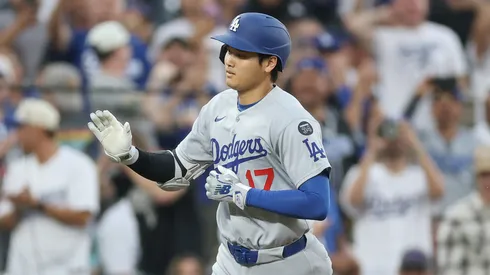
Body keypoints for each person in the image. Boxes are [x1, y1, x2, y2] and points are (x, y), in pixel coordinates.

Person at [88, 12, 333, 275]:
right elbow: (176, 166)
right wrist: (131, 156)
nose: (229, 60)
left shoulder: (291, 119)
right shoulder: (219, 106)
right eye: (228, 50)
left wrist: (243, 194)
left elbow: (317, 203)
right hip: (231, 259)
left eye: (242, 54)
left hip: (286, 261)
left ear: (269, 63)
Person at [0, 98, 99, 275]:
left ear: (38, 128)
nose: (17, 134)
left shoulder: (79, 164)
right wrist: (20, 208)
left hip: (67, 267)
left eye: (21, 127)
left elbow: (83, 216)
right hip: (21, 267)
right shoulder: (17, 168)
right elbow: (5, 222)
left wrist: (38, 205)